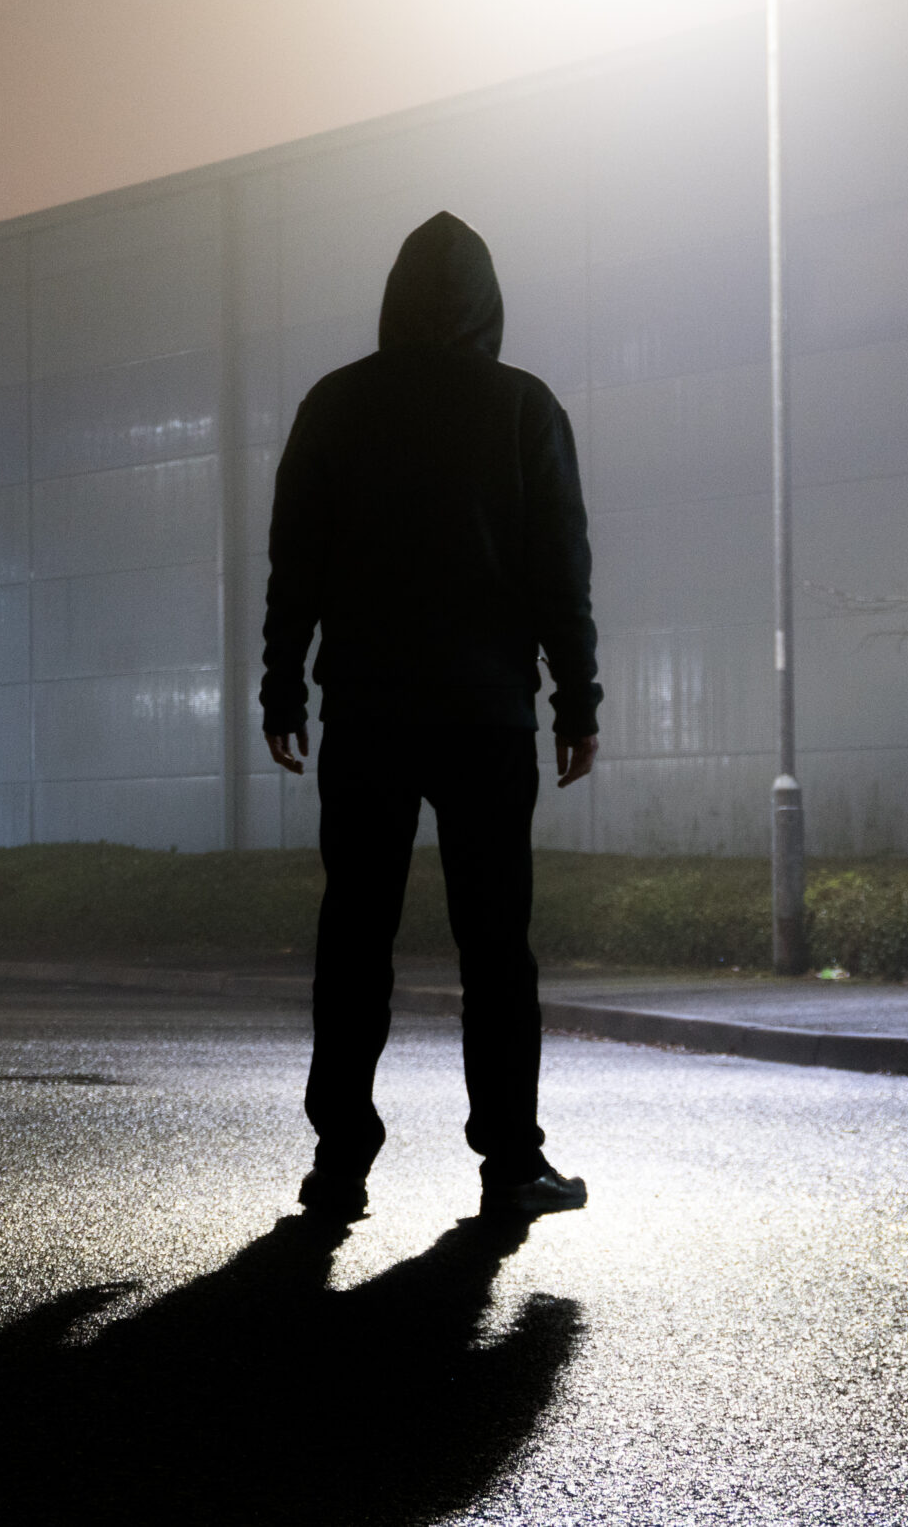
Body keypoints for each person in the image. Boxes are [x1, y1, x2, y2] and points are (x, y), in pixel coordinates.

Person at [260, 211, 601, 1222]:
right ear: (488, 306)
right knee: (494, 942)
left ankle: (340, 1159)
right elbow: (559, 575)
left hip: (365, 706)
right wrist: (575, 702)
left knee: (354, 933)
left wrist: (282, 691)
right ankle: (509, 1162)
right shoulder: (522, 409)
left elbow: (296, 570)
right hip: (486, 712)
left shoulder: (336, 405)